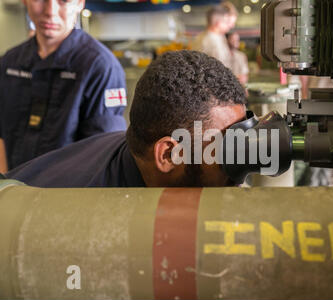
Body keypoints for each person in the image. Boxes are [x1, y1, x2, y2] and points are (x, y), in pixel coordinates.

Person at [5, 50, 247, 188]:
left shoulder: (135, 151)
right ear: (168, 155)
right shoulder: (84, 220)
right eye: (226, 150)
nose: (240, 158)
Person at [0, 0, 127, 173]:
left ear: (80, 3)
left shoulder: (100, 67)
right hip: (15, 190)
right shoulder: (9, 62)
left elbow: (102, 154)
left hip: (68, 194)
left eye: (64, 1)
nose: (50, 11)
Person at [190, 3, 237, 69]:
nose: (232, 26)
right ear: (219, 22)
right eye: (228, 22)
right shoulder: (210, 41)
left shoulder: (218, 36)